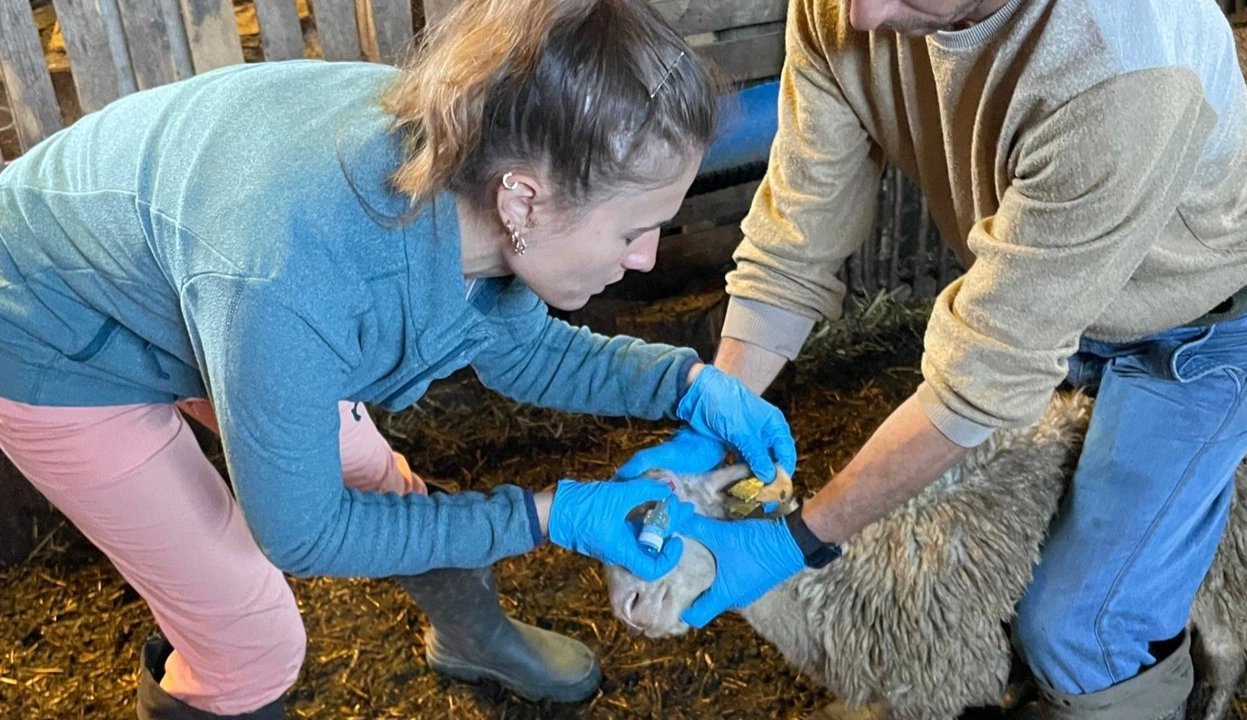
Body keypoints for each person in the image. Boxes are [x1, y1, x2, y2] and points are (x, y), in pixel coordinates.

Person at [0, 0, 800, 717]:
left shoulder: (472, 169)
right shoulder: (296, 275)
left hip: (209, 287)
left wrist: (688, 385)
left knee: (380, 483)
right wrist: (549, 515)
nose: (647, 259)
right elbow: (304, 535)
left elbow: (520, 348)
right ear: (522, 201)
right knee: (252, 639)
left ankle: (471, 638)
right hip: (56, 336)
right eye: (632, 231)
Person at [620, 0, 1247, 717]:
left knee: (1079, 624)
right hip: (1052, 307)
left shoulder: (1125, 63)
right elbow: (792, 245)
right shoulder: (842, 6)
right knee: (1010, 558)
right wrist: (718, 417)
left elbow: (976, 385)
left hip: (1200, 328)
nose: (863, 16)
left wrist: (794, 544)